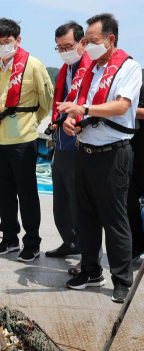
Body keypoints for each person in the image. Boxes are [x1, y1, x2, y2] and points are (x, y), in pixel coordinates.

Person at [59, 13, 142, 303]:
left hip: (113, 154)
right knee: (85, 217)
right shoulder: (89, 70)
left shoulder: (129, 68)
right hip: (85, 151)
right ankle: (91, 270)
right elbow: (78, 108)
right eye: (86, 41)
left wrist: (83, 110)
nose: (88, 46)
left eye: (92, 41)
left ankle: (121, 279)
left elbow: (120, 106)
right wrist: (71, 120)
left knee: (115, 217)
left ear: (110, 39)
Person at [0, 18, 53, 262]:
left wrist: (29, 122)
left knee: (27, 192)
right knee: (4, 191)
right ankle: (9, 237)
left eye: (8, 41)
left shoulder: (33, 65)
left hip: (23, 139)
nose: (3, 46)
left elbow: (46, 102)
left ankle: (32, 242)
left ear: (18, 40)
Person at [43, 22, 89, 260]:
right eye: (59, 48)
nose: (64, 51)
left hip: (79, 145)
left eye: (68, 46)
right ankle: (69, 241)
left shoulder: (92, 69)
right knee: (60, 200)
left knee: (78, 203)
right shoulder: (64, 70)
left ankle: (86, 252)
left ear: (83, 43)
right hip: (60, 144)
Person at [127, 75, 144, 260]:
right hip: (136, 154)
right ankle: (136, 246)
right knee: (129, 203)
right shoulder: (139, 77)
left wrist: (123, 109)